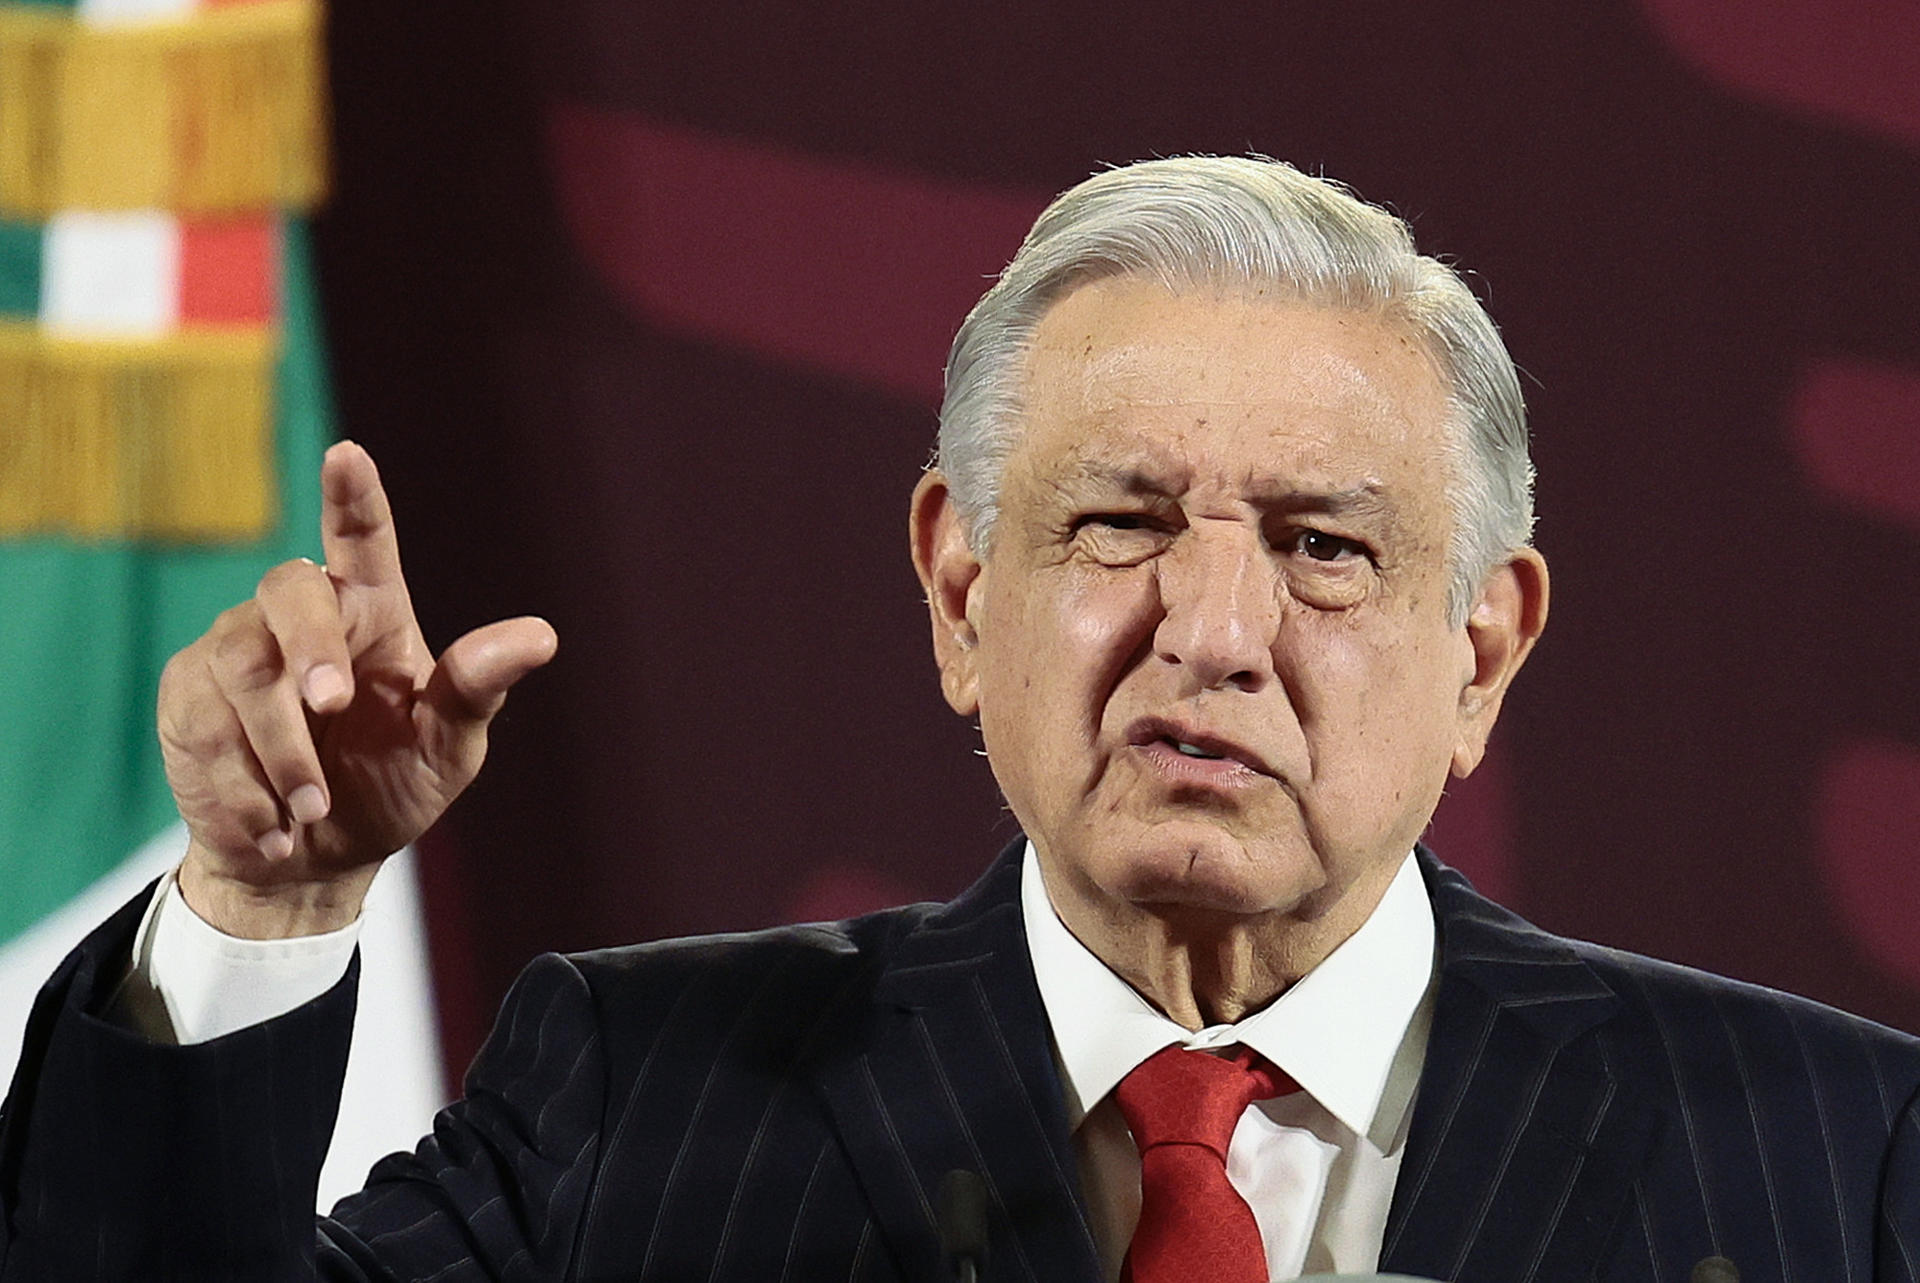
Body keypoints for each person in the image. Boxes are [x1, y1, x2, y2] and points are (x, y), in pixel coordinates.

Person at [2, 156, 1917, 1282]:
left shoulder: (1841, 1158)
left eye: (1327, 547)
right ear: (961, 591)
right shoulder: (629, 1106)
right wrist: (265, 913)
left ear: (1482, 650)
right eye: (1119, 525)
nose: (1214, 633)